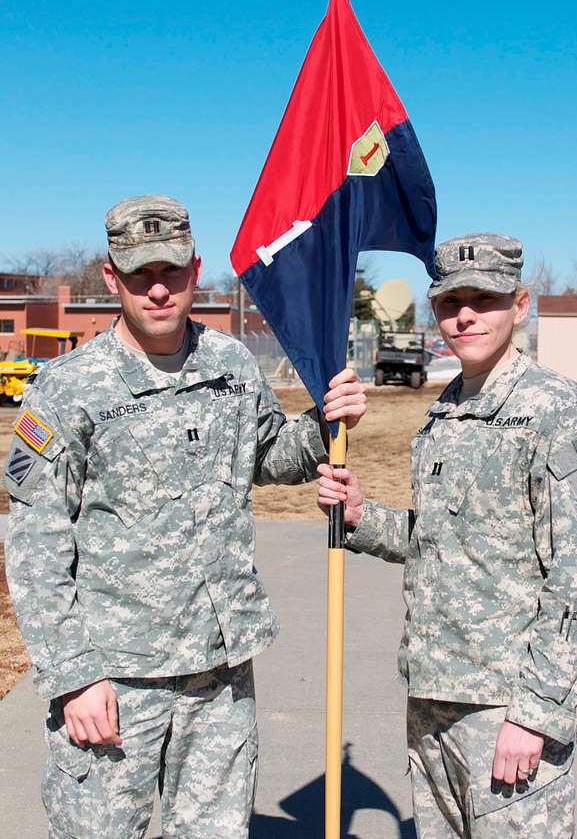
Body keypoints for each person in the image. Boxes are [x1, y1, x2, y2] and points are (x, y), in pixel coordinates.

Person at [2, 194, 366, 839]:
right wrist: (72, 675)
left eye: (170, 271)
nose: (158, 289)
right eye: (140, 274)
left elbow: (266, 456)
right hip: (115, 676)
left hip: (220, 674)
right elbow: (36, 547)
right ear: (112, 276)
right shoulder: (67, 388)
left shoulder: (229, 364)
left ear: (195, 269)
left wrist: (324, 423)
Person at [318, 233, 577, 838]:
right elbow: (443, 542)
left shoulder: (555, 410)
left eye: (485, 298)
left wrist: (536, 714)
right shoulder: (446, 410)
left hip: (505, 707)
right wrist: (359, 516)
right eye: (452, 302)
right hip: (433, 696)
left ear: (520, 304)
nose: (466, 315)